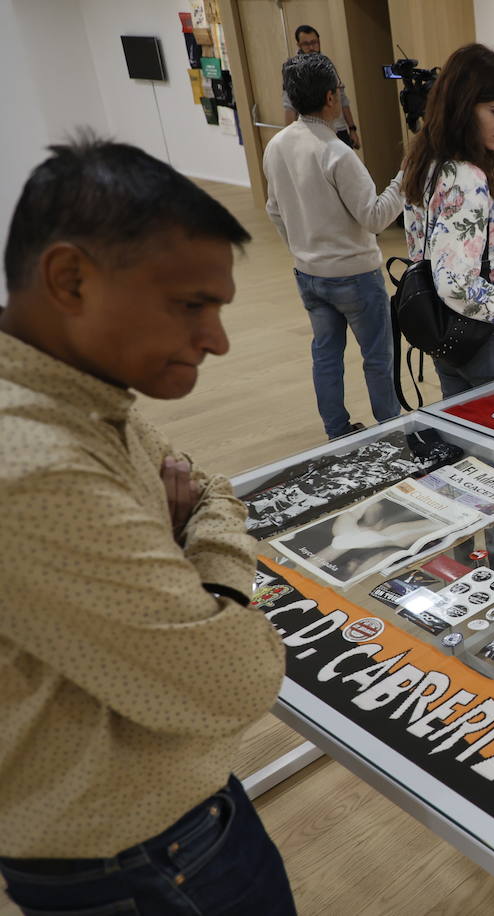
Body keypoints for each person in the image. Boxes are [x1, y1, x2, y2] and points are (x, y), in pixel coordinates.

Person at [0, 138, 293, 913]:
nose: (219, 340)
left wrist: (178, 532)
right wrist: (211, 558)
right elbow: (241, 678)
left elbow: (206, 485)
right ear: (69, 279)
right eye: (190, 305)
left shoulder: (78, 391)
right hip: (143, 862)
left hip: (165, 831)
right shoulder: (35, 469)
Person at [265, 52, 404, 440]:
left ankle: (337, 432)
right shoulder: (338, 153)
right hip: (356, 276)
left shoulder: (276, 147)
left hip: (308, 274)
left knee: (326, 356)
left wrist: (301, 246)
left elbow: (274, 210)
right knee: (377, 357)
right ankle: (390, 430)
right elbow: (375, 218)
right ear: (331, 98)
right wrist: (403, 181)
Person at [400, 43, 494, 397]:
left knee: (464, 435)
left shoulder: (423, 163)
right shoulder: (466, 178)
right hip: (483, 336)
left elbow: (424, 252)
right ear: (464, 106)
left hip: (442, 331)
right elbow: (456, 284)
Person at [282, 24, 358, 147]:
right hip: (312, 132)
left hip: (338, 129)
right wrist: (289, 140)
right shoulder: (294, 71)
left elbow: (342, 98)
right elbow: (289, 106)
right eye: (306, 44)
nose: (311, 47)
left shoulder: (327, 65)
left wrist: (352, 128)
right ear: (299, 45)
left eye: (314, 42)